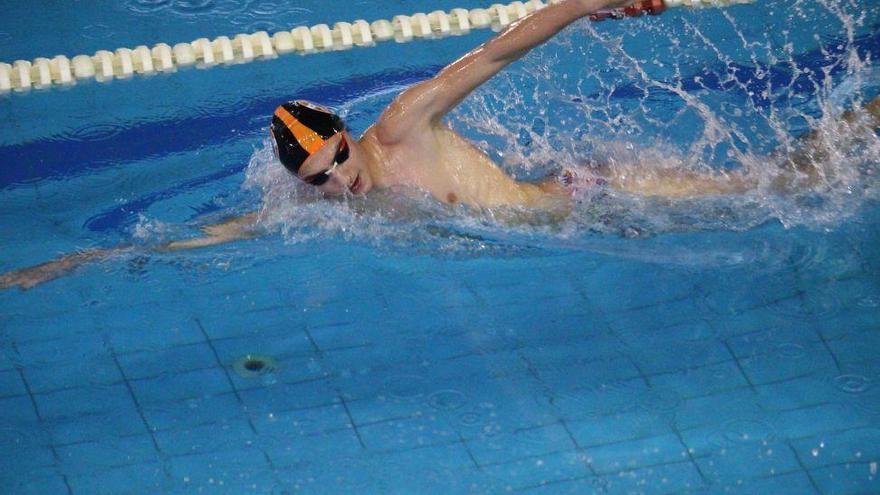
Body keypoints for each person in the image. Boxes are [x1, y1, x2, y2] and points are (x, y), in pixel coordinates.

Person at [1, 0, 878, 290]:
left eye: (335, 160)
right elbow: (224, 234)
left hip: (593, 191)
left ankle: (863, 122)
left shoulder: (406, 125)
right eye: (318, 178)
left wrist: (587, 3)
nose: (337, 184)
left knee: (784, 186)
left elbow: (494, 50)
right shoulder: (311, 200)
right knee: (781, 185)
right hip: (584, 224)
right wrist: (73, 264)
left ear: (346, 133)